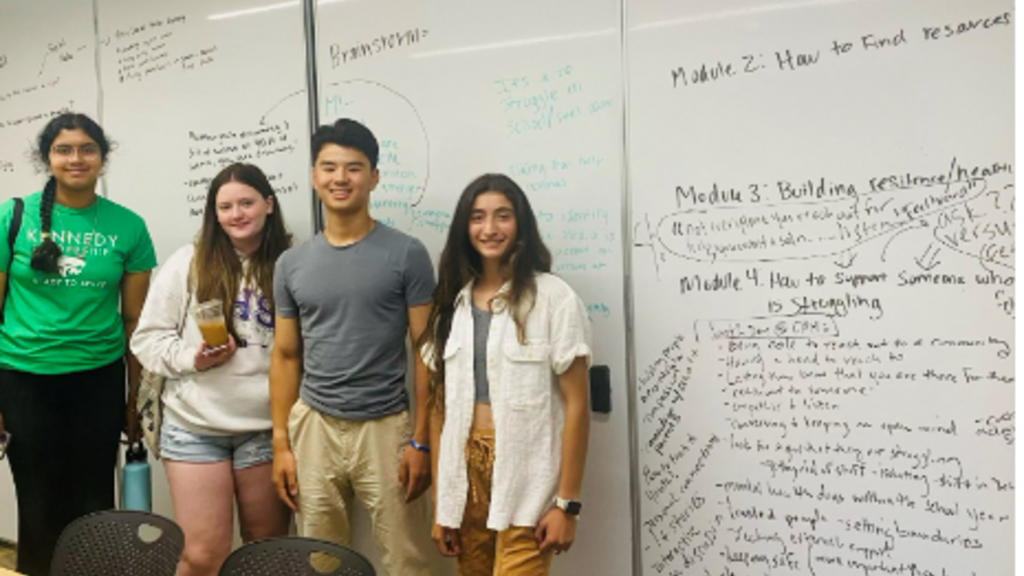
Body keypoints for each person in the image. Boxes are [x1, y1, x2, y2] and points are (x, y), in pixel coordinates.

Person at [270, 118, 435, 576]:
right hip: (315, 426)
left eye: (354, 168)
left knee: (409, 560)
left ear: (374, 177)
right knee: (321, 561)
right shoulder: (291, 263)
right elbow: (285, 356)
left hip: (387, 427)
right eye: (329, 167)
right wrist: (282, 443)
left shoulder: (406, 254)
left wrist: (422, 440)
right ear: (313, 176)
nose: (340, 178)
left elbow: (427, 352)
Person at [0, 113, 157, 576]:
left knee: (94, 502)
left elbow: (134, 322)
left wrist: (135, 396)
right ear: (47, 159)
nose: (76, 158)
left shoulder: (128, 226)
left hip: (97, 380)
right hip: (23, 378)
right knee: (37, 500)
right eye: (64, 149)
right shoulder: (13, 217)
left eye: (87, 149)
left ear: (102, 158)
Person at [421, 174, 592, 576]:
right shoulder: (452, 303)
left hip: (527, 474)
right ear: (465, 227)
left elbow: (578, 406)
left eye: (503, 216)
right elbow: (438, 410)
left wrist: (567, 505)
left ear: (521, 224)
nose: (490, 229)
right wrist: (441, 506)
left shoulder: (554, 298)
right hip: (464, 478)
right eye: (478, 217)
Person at [131, 163, 292, 576]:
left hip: (266, 429)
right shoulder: (188, 262)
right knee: (202, 554)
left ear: (268, 205)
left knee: (266, 555)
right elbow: (146, 340)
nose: (236, 214)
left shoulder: (291, 265)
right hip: (193, 428)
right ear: (213, 214)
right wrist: (192, 359)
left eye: (246, 202)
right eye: (225, 207)